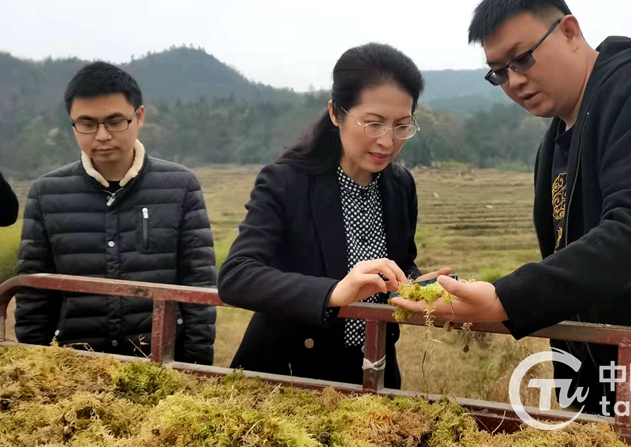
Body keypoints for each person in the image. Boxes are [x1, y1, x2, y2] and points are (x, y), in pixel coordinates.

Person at [392, 0, 631, 436]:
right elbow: (575, 265)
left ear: (569, 31)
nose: (515, 81)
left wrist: (505, 298)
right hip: (616, 392)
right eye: (499, 73)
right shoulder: (554, 143)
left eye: (522, 58)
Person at [217, 42, 449, 389]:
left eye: (402, 126)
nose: (387, 141)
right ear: (335, 113)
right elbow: (237, 276)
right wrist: (333, 292)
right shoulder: (287, 181)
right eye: (373, 124)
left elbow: (401, 262)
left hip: (372, 372)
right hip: (286, 378)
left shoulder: (400, 186)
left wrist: (418, 286)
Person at [14, 62, 217, 365]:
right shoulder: (47, 192)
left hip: (160, 365)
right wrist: (37, 366)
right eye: (87, 123)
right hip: (73, 365)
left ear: (140, 116)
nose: (102, 135)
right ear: (72, 123)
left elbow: (198, 285)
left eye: (115, 121)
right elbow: (34, 295)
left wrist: (194, 367)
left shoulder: (180, 186)